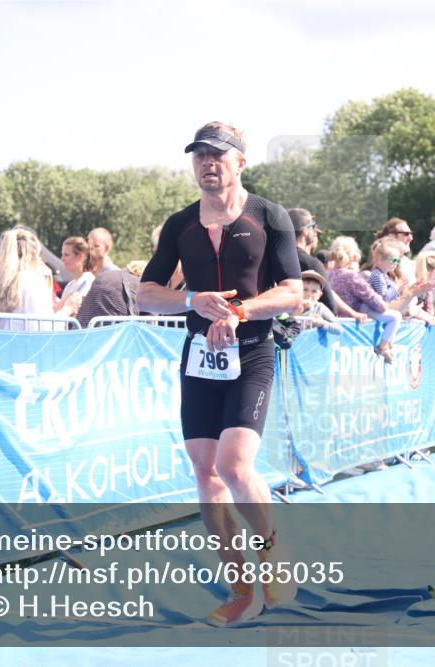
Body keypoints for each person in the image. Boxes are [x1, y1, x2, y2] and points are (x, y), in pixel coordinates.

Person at [136, 122, 301, 626]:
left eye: (218, 155)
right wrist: (191, 300)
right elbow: (145, 293)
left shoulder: (269, 216)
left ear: (240, 163)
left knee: (234, 465)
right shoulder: (180, 223)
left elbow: (293, 291)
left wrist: (239, 312)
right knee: (206, 473)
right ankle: (239, 587)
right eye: (200, 156)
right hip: (199, 357)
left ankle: (273, 558)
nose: (208, 163)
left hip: (251, 352)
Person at [288, 208, 365, 322]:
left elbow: (328, 291)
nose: (314, 232)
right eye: (312, 226)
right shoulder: (312, 264)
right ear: (305, 230)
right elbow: (330, 304)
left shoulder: (271, 257)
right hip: (306, 330)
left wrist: (352, 312)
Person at [0, 227, 55, 330]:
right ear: (33, 254)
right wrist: (66, 310)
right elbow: (44, 327)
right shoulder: (34, 282)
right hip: (25, 344)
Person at [55, 236, 95, 318]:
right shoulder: (70, 285)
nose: (62, 259)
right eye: (62, 255)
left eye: (66, 255)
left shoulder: (88, 282)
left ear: (80, 257)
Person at [299, 270, 343, 335]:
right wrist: (299, 309)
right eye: (305, 289)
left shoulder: (320, 308)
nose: (309, 294)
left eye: (314, 291)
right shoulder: (290, 305)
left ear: (319, 295)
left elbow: (339, 329)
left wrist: (322, 323)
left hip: (310, 343)